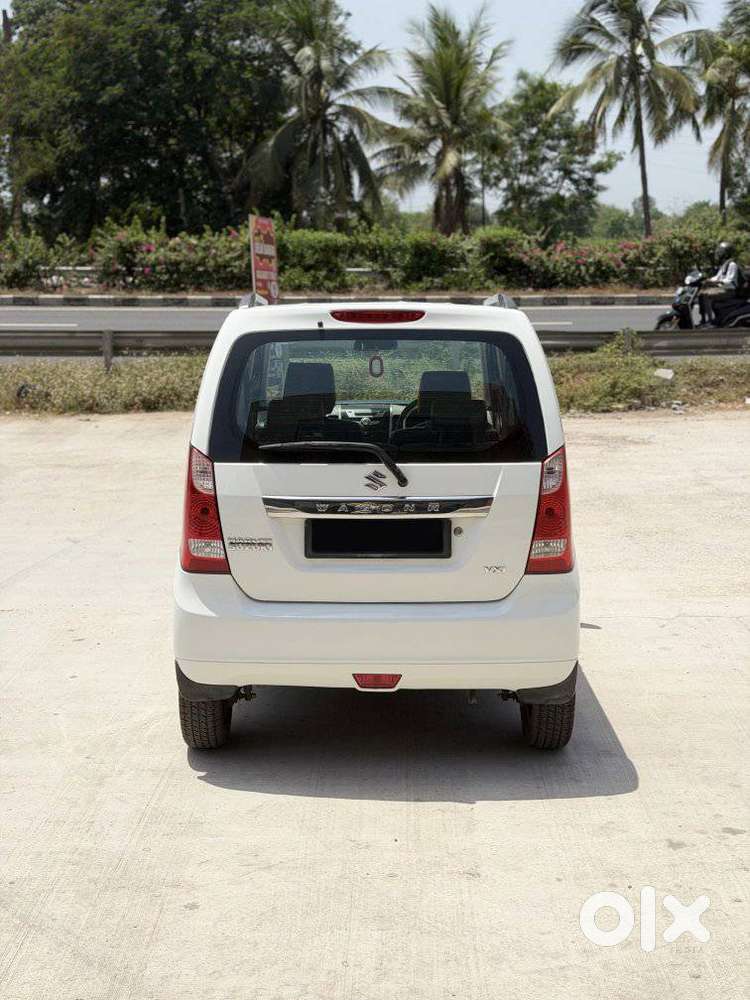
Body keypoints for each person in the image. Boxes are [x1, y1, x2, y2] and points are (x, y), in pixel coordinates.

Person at [698, 241, 747, 326]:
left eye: (720, 251)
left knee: (707, 295)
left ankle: (711, 320)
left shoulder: (732, 264)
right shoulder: (725, 264)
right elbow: (718, 277)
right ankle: (704, 319)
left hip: (731, 291)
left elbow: (730, 281)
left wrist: (716, 282)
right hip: (724, 289)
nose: (718, 253)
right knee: (701, 294)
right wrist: (707, 280)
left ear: (726, 253)